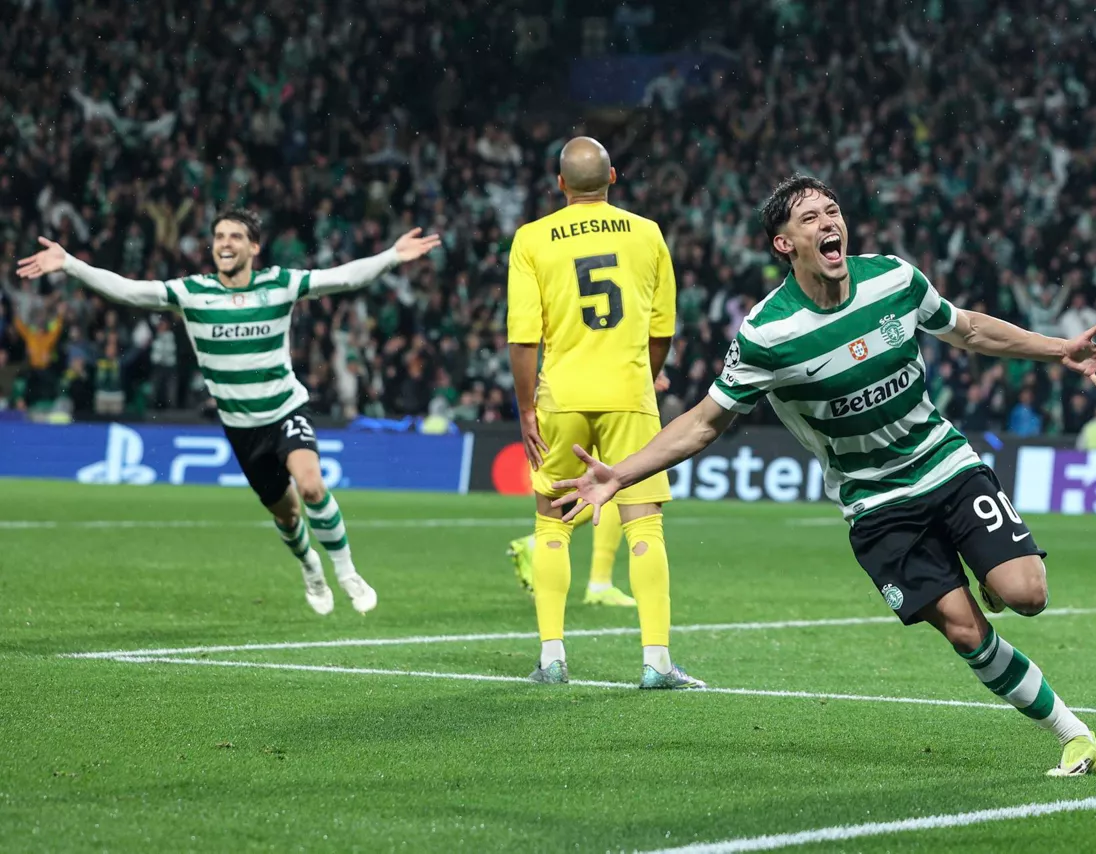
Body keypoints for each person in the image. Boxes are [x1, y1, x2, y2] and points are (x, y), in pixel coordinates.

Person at [551, 175, 1096, 775]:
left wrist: (1057, 349)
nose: (828, 223)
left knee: (1027, 595)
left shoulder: (893, 280)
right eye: (809, 218)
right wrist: (618, 475)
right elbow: (704, 422)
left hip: (945, 464)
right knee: (966, 633)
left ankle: (992, 577)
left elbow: (967, 328)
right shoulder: (767, 334)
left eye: (832, 211)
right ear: (784, 244)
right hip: (875, 503)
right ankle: (1074, 735)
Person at [17, 209, 440, 616]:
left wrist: (391, 256)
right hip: (242, 429)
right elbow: (129, 290)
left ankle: (347, 573)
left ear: (254, 247)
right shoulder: (192, 293)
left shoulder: (280, 284)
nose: (225, 243)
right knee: (288, 514)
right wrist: (70, 264)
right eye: (219, 236)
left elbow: (342, 277)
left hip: (285, 409)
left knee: (312, 486)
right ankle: (310, 567)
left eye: (235, 236)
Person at [506, 136, 701, 689]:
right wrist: (645, 376)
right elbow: (662, 329)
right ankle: (656, 661)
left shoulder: (532, 238)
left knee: (552, 523)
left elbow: (523, 338)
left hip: (561, 397)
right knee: (644, 523)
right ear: (612, 177)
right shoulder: (647, 233)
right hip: (628, 396)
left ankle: (551, 658)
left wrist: (526, 409)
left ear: (560, 183)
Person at [506, 370, 671, 608]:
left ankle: (594, 579)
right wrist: (644, 372)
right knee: (614, 483)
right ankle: (596, 582)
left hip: (569, 393)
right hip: (606, 394)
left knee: (607, 485)